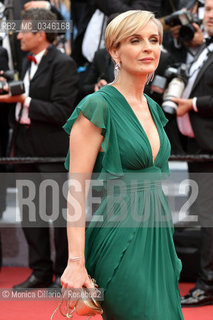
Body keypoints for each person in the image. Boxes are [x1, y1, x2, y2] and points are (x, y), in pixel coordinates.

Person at [61, 10, 184, 319]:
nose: (148, 48)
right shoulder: (97, 105)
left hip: (158, 235)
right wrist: (76, 262)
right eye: (135, 40)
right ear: (114, 51)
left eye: (154, 40)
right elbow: (76, 189)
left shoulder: (155, 109)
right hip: (119, 234)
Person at [0, 8, 79, 290]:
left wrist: (25, 99)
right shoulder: (25, 60)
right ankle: (40, 271)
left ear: (41, 34)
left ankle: (62, 274)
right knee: (30, 213)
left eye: (24, 30)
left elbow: (63, 111)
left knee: (58, 216)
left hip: (52, 150)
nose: (18, 35)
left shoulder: (64, 63)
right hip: (24, 146)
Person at [170, 0, 213, 307]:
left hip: (209, 150)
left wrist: (194, 104)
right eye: (207, 9)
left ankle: (208, 284)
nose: (209, 16)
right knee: (206, 219)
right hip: (198, 149)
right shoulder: (203, 49)